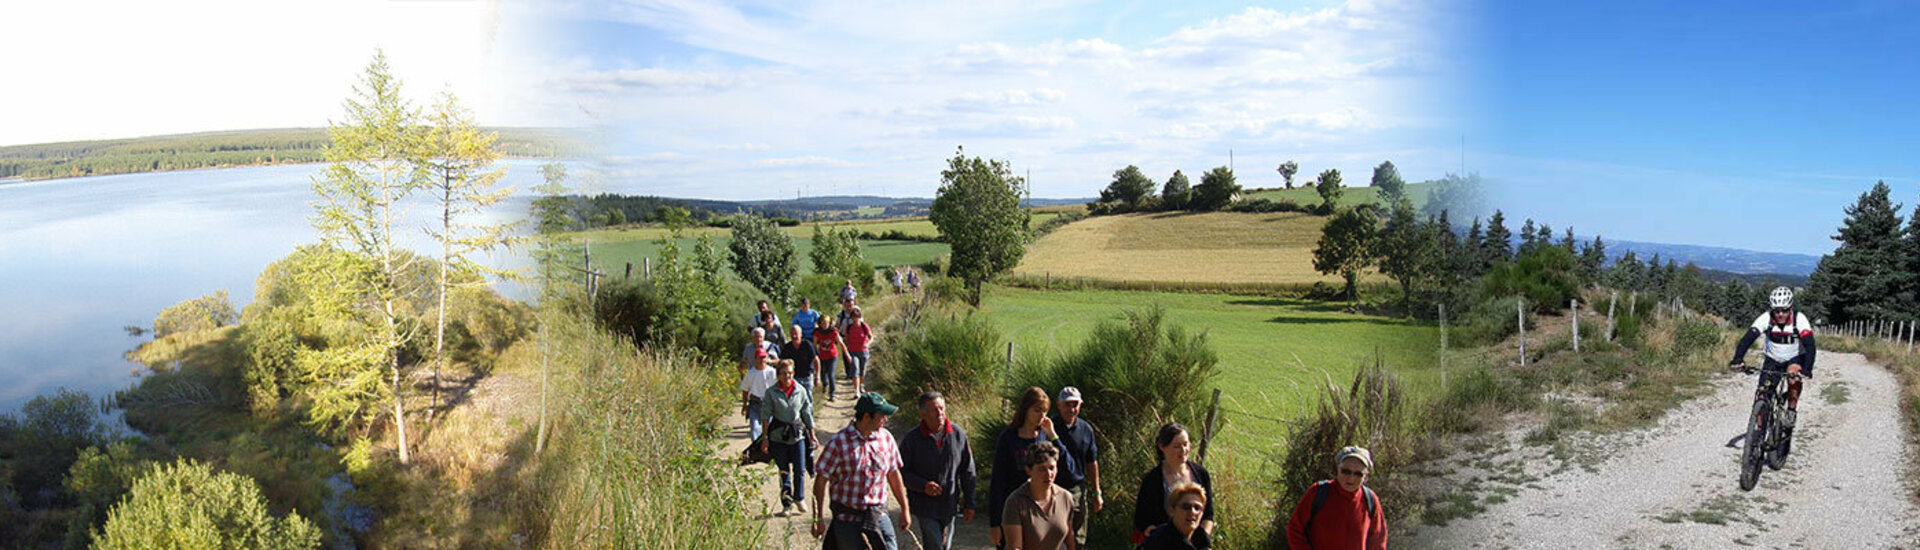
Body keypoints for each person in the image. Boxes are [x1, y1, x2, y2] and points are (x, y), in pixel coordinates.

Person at [812, 393, 912, 550]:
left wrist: (905, 508)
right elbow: (821, 479)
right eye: (881, 416)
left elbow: (893, 474)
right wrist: (817, 518)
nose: (885, 420)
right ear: (866, 416)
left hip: (878, 515)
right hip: (847, 519)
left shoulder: (886, 438)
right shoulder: (838, 442)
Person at [990, 387, 1077, 548]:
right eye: (1037, 411)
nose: (1041, 416)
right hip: (1014, 510)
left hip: (1044, 510)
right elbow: (997, 481)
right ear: (1025, 410)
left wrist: (1053, 436)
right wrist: (995, 523)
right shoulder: (1008, 437)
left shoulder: (1046, 435)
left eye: (1044, 412)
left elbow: (1070, 470)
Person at [1729, 286, 1817, 437]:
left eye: (1784, 310)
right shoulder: (1766, 318)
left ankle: (1791, 409)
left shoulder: (1799, 319)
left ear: (1790, 307)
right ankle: (1759, 432)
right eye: (1776, 310)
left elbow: (1810, 345)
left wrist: (1807, 369)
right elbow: (1748, 338)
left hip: (1794, 357)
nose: (1780, 314)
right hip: (1772, 359)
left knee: (1793, 376)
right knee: (1762, 393)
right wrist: (1738, 359)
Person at [899, 391, 977, 550]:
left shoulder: (957, 435)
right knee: (934, 545)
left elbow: (968, 471)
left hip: (949, 504)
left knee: (944, 545)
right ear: (923, 414)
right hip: (924, 506)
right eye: (935, 410)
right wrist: (923, 485)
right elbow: (900, 472)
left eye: (942, 408)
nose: (940, 413)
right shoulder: (912, 440)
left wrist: (970, 503)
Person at [1283, 446, 1386, 550]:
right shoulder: (1318, 492)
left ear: (1366, 476)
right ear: (1338, 469)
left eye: (1358, 474)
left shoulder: (1370, 500)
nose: (1351, 478)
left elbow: (1378, 540)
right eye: (1346, 471)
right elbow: (1295, 529)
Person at [1132, 423, 1213, 545]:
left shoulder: (1201, 474)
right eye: (1176, 446)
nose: (1183, 450)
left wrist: (1201, 539)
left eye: (1186, 444)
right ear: (1162, 447)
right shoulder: (1152, 480)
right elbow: (1141, 519)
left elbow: (1208, 514)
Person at [762, 359, 816, 516]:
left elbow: (807, 412)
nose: (787, 376)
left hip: (797, 435)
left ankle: (799, 498)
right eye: (784, 373)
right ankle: (786, 503)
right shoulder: (771, 392)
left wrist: (812, 434)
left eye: (790, 373)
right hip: (778, 437)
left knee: (799, 468)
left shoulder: (800, 390)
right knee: (784, 470)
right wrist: (765, 438)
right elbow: (765, 416)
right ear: (778, 375)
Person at [1051, 387, 1102, 548]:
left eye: (1075, 405)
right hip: (1053, 488)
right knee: (1054, 534)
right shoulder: (1050, 427)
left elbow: (1091, 462)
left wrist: (1096, 492)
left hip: (1077, 489)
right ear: (1059, 405)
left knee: (1078, 536)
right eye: (1067, 405)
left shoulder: (1086, 429)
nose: (1071, 409)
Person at [1000, 441, 1075, 550]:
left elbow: (1069, 540)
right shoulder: (1015, 502)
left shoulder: (1065, 498)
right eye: (1042, 469)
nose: (1049, 474)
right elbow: (1015, 546)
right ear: (1029, 470)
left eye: (1052, 468)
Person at [1137, 482, 1210, 550]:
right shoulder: (1157, 542)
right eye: (1186, 507)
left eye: (1197, 508)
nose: (1192, 512)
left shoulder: (1202, 541)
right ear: (1172, 510)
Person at [739, 349, 777, 442]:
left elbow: (778, 388)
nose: (762, 360)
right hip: (755, 403)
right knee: (755, 429)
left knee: (769, 429)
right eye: (760, 357)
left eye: (764, 357)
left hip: (769, 403)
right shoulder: (750, 373)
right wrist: (745, 405)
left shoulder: (772, 372)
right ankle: (756, 450)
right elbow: (745, 390)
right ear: (755, 358)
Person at [813, 316, 850, 402]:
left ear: (829, 323)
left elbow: (841, 343)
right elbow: (814, 345)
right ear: (820, 324)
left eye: (826, 323)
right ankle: (825, 385)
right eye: (822, 323)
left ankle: (832, 394)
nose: (824, 325)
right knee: (823, 373)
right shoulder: (817, 332)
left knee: (831, 374)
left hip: (832, 356)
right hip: (821, 356)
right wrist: (813, 356)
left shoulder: (833, 332)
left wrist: (847, 355)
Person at [844, 306, 874, 396]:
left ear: (859, 317)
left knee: (862, 370)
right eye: (853, 317)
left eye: (856, 317)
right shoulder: (849, 327)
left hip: (863, 351)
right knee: (855, 369)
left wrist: (867, 344)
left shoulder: (864, 326)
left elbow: (871, 337)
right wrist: (847, 351)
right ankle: (856, 390)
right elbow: (846, 340)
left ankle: (861, 384)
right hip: (853, 351)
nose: (855, 319)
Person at [782, 325, 821, 391]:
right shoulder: (787, 348)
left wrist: (817, 376)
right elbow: (783, 363)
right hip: (794, 377)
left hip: (807, 376)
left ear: (801, 334)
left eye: (796, 334)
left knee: (807, 398)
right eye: (792, 334)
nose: (794, 336)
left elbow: (816, 360)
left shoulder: (808, 345)